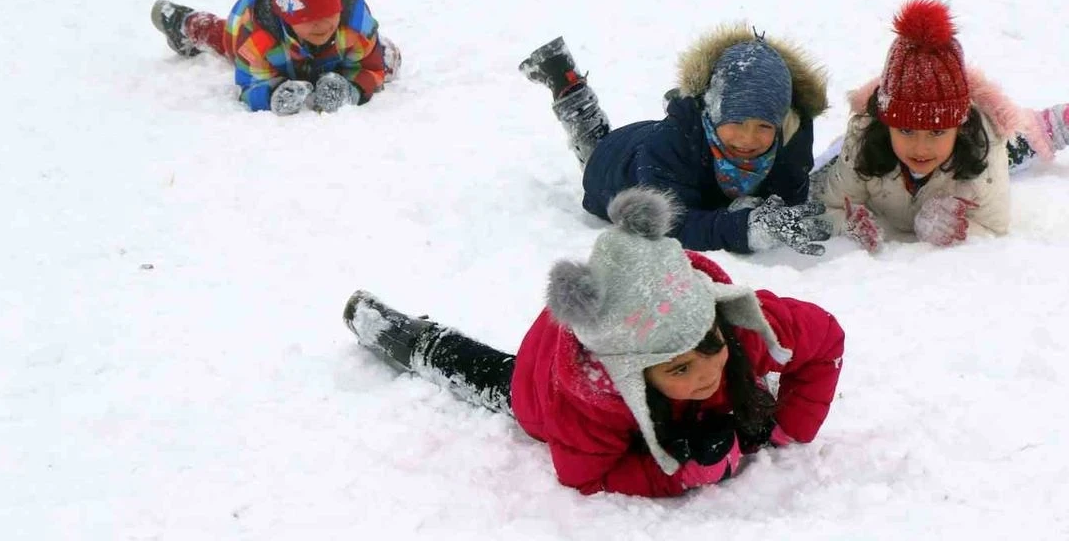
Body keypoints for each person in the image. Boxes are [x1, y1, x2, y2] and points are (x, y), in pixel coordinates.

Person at [343, 187, 845, 497]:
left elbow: (826, 341)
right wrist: (680, 474)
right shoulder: (587, 402)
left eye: (708, 348)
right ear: (634, 375)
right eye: (677, 370)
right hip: (543, 380)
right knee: (489, 375)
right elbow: (586, 476)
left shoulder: (735, 323)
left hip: (621, 314)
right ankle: (399, 334)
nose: (706, 373)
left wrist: (785, 428)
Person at [815, 0, 1069, 251]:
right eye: (905, 130)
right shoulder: (863, 141)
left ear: (959, 125)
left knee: (1018, 144)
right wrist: (850, 225)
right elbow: (830, 207)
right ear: (886, 123)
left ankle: (1055, 124)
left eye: (937, 131)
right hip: (876, 151)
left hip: (972, 154)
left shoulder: (984, 148)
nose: (921, 147)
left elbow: (995, 226)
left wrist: (954, 229)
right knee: (832, 163)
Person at [518, 28, 832, 256]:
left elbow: (790, 194)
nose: (748, 139)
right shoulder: (669, 145)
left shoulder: (792, 134)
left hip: (679, 148)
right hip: (617, 164)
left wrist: (766, 211)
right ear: (713, 112)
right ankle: (568, 85)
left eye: (764, 125)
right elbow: (669, 225)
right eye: (735, 122)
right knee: (594, 145)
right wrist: (744, 228)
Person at [149, 0, 401, 115]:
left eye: (329, 13)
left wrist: (351, 89)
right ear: (286, 16)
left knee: (386, 59)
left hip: (335, 54)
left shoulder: (355, 26)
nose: (322, 25)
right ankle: (185, 24)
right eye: (308, 18)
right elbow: (248, 86)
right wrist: (272, 95)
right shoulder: (257, 37)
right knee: (225, 39)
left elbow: (371, 68)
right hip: (267, 45)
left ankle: (375, 53)